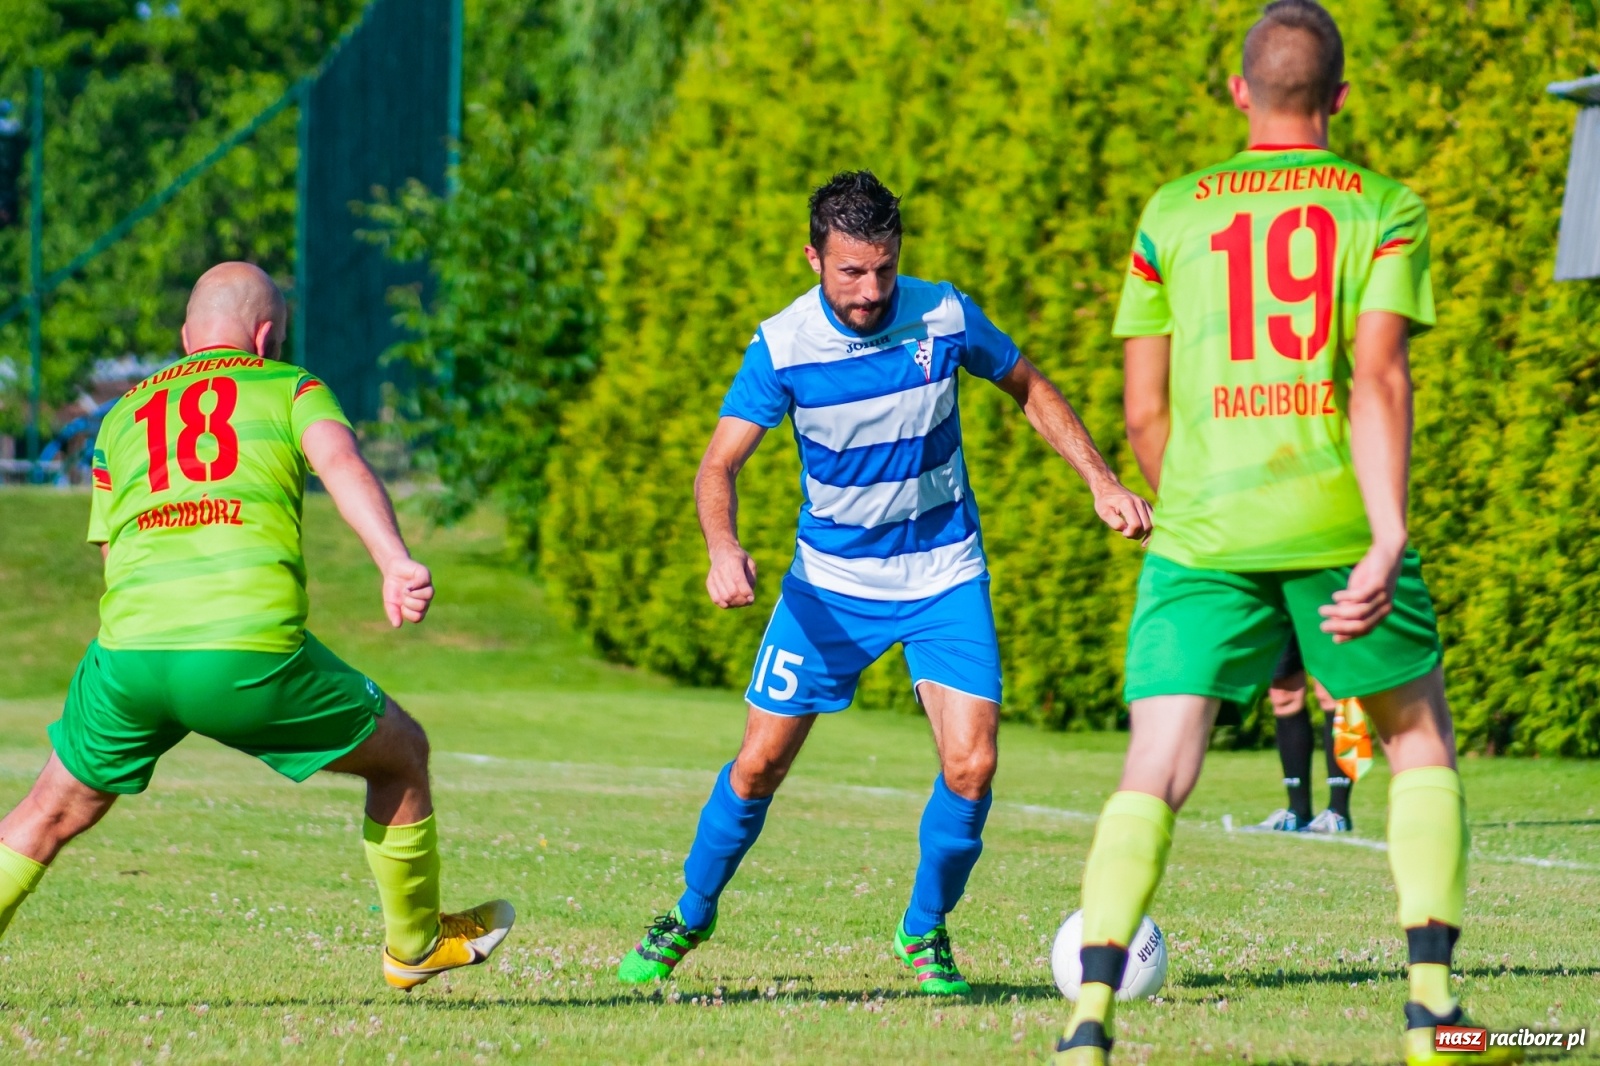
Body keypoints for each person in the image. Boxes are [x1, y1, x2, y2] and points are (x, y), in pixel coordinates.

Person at [1052, 3, 1519, 1064]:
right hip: (1336, 525)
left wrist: (1195, 514)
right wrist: (1388, 534)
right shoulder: (1382, 208)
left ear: (1239, 95)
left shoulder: (1169, 213)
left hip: (1201, 532)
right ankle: (1434, 1016)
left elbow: (1142, 413)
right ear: (1340, 99)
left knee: (1157, 763)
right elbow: (1377, 379)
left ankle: (1086, 1023)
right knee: (1413, 740)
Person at [616, 171, 1153, 995]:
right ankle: (690, 911)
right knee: (758, 764)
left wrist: (1101, 480)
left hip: (945, 573)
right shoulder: (783, 346)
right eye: (850, 273)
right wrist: (722, 548)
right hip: (829, 586)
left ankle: (924, 929)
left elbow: (1030, 386)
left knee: (972, 765)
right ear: (813, 257)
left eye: (884, 270)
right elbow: (718, 463)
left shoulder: (943, 313)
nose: (870, 293)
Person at [0, 263, 514, 991]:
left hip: (129, 652)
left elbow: (115, 551)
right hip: (245, 651)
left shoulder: (118, 419)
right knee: (401, 756)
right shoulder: (290, 386)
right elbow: (340, 460)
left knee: (48, 810)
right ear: (266, 335)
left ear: (186, 338)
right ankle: (414, 945)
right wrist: (394, 560)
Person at [1251, 633, 1357, 833]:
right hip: (1283, 605)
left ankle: (1338, 812)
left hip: (1323, 603)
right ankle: (1297, 811)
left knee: (1332, 688)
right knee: (1282, 695)